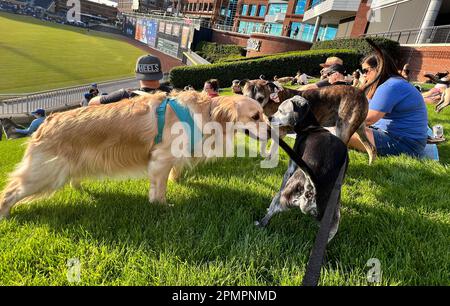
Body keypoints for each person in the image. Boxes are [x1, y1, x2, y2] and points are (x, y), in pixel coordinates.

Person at [348, 52, 428, 158]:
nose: (364, 75)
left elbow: (369, 119)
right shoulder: (389, 83)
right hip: (406, 139)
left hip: (405, 144)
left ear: (379, 68)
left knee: (336, 132)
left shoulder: (390, 86)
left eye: (366, 71)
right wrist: (363, 85)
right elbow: (360, 106)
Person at [89, 55, 171, 105]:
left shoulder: (125, 95)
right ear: (160, 73)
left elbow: (92, 103)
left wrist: (115, 95)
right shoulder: (173, 94)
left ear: (137, 73)